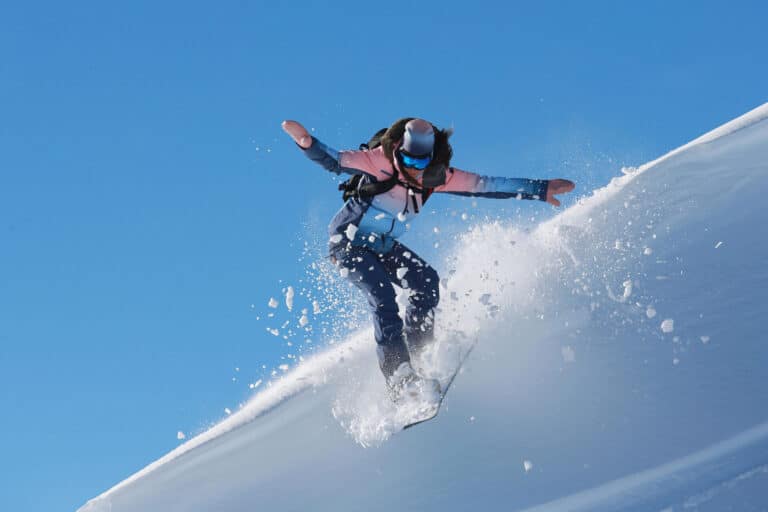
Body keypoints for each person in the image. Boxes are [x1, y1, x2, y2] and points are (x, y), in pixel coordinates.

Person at [282, 118, 575, 401]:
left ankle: (421, 353)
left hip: (382, 245)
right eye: (407, 160)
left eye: (420, 163)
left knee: (426, 282)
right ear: (398, 151)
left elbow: (487, 185)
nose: (412, 168)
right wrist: (307, 143)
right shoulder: (378, 160)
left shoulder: (438, 177)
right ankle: (399, 379)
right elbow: (335, 159)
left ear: (431, 158)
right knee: (382, 295)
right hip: (347, 243)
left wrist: (541, 189)